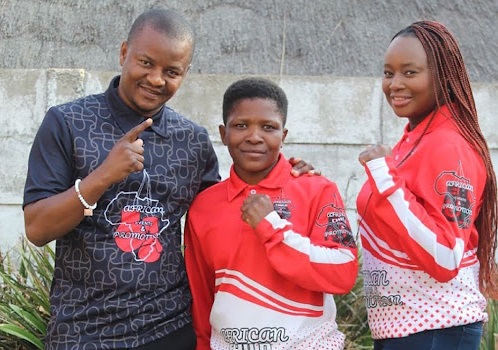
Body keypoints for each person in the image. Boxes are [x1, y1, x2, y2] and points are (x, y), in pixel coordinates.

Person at [22, 9, 317, 350]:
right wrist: (102, 176)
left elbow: (227, 215)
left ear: (185, 73)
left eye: (172, 71)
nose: (157, 79)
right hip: (84, 330)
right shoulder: (67, 123)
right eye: (146, 62)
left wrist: (291, 176)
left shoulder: (191, 140)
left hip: (168, 328)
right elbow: (37, 229)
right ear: (123, 53)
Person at [184, 77, 359, 350]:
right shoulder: (203, 207)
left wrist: (271, 227)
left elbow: (343, 274)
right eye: (241, 125)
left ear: (284, 136)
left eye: (268, 127)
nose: (255, 137)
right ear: (223, 133)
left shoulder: (317, 189)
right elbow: (201, 295)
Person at [356, 20, 498, 350]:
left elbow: (445, 256)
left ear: (442, 76)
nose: (394, 84)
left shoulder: (448, 146)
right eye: (388, 73)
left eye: (410, 72)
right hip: (406, 331)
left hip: (436, 331)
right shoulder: (413, 140)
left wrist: (383, 175)